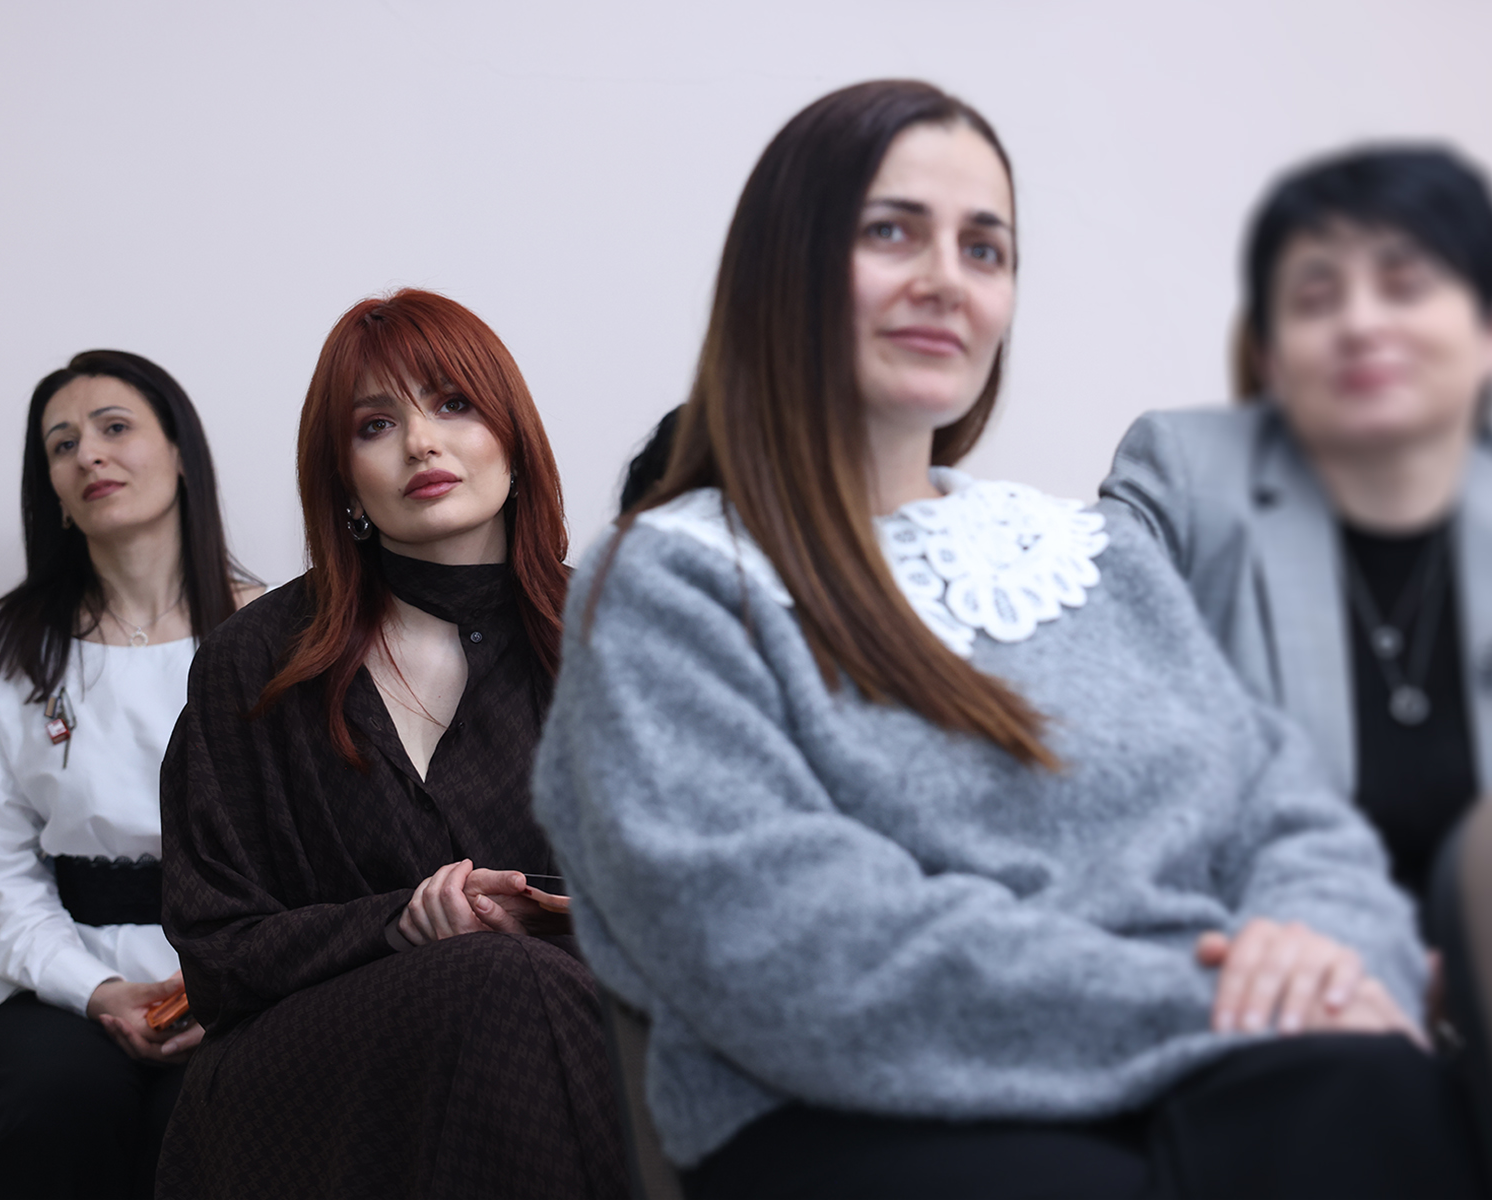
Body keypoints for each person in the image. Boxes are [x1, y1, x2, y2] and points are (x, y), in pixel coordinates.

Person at [531, 80, 1485, 1198]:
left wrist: (1324, 947)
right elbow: (795, 950)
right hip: (879, 1120)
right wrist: (1223, 1001)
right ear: (779, 268)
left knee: (1389, 1102)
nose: (947, 279)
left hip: (1229, 1074)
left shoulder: (1096, 555)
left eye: (985, 249)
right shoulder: (667, 583)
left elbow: (1291, 819)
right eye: (893, 232)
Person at [154, 289, 625, 1199]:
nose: (420, 443)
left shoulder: (621, 638)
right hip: (314, 1082)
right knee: (501, 985)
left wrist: (558, 917)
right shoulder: (254, 662)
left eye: (454, 404)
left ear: (513, 438)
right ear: (344, 480)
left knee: (517, 990)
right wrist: (399, 924)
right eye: (377, 424)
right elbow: (215, 953)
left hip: (574, 1052)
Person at [1101, 147, 1492, 909]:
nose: (1361, 324)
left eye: (1404, 286)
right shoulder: (1185, 479)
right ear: (1269, 357)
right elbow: (1099, 724)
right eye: (1316, 299)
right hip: (1264, 936)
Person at [0, 350, 261, 1200]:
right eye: (63, 444)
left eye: (115, 428)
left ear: (180, 452)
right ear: (52, 488)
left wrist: (228, 980)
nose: (90, 455)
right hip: (69, 971)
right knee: (52, 1100)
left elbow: (309, 846)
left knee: (215, 1119)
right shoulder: (12, 646)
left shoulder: (271, 631)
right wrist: (99, 990)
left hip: (240, 970)